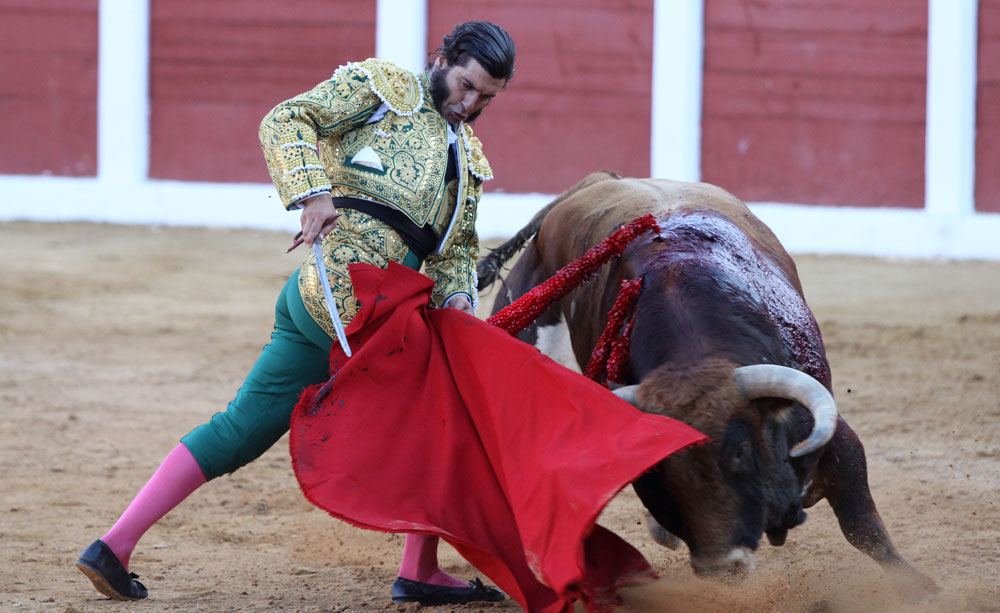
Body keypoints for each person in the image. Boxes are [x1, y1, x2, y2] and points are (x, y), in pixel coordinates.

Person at [76, 21, 516, 607]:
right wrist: (314, 192)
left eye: (486, 97)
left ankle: (114, 545)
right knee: (444, 406)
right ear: (444, 58)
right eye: (465, 85)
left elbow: (457, 250)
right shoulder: (382, 90)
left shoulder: (469, 159)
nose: (470, 104)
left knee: (243, 428)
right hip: (344, 294)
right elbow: (286, 119)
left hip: (363, 306)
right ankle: (419, 569)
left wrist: (460, 297)